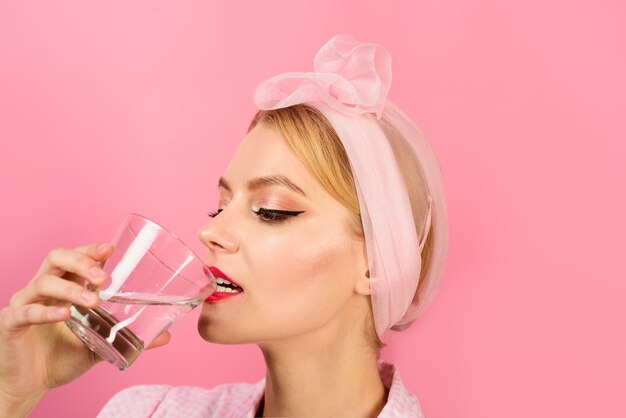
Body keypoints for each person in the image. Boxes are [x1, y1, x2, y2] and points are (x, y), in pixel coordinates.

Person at [0, 34, 449, 417]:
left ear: (377, 264)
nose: (209, 233)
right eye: (219, 207)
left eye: (271, 210)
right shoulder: (147, 413)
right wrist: (13, 393)